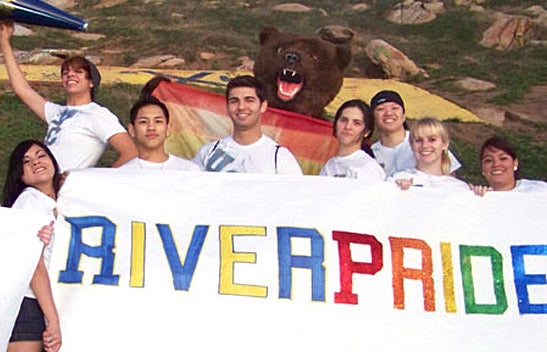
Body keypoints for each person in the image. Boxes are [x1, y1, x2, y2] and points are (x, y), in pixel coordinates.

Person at [0, 21, 137, 173]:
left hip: (68, 191)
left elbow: (131, 152)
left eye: (78, 72)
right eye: (66, 72)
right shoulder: (57, 113)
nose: (70, 74)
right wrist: (4, 41)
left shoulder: (97, 114)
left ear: (91, 82)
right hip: (45, 187)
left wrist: (97, 181)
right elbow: (22, 89)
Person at [2, 140, 62, 352]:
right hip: (27, 303)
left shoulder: (57, 202)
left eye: (41, 155)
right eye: (27, 162)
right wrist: (52, 319)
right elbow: (33, 265)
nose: (36, 162)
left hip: (39, 302)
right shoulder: (30, 202)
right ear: (21, 175)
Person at [192, 75, 302, 174]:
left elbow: (296, 194)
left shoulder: (279, 158)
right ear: (227, 107)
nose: (241, 107)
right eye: (234, 101)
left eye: (249, 100)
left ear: (263, 106)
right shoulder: (208, 152)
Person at [369, 90, 461, 177]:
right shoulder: (371, 153)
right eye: (381, 109)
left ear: (404, 116)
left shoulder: (425, 142)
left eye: (395, 108)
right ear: (373, 118)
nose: (388, 113)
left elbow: (450, 177)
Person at [120, 95, 200, 171]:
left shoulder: (189, 170)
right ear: (132, 130)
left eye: (158, 121)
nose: (151, 127)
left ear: (167, 129)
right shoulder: (123, 173)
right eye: (143, 122)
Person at [388, 117, 468, 190]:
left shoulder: (459, 187)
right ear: (411, 145)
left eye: (432, 140)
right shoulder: (397, 180)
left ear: (445, 144)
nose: (425, 145)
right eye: (418, 140)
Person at [319, 99, 385, 183]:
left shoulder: (368, 168)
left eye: (356, 123)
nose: (348, 127)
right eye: (344, 120)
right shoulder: (330, 165)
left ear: (366, 132)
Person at [469, 136, 547, 195]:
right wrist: (475, 199)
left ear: (515, 163)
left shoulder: (539, 190)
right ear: (482, 168)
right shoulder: (478, 197)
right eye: (488, 160)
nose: (496, 164)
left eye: (503, 158)